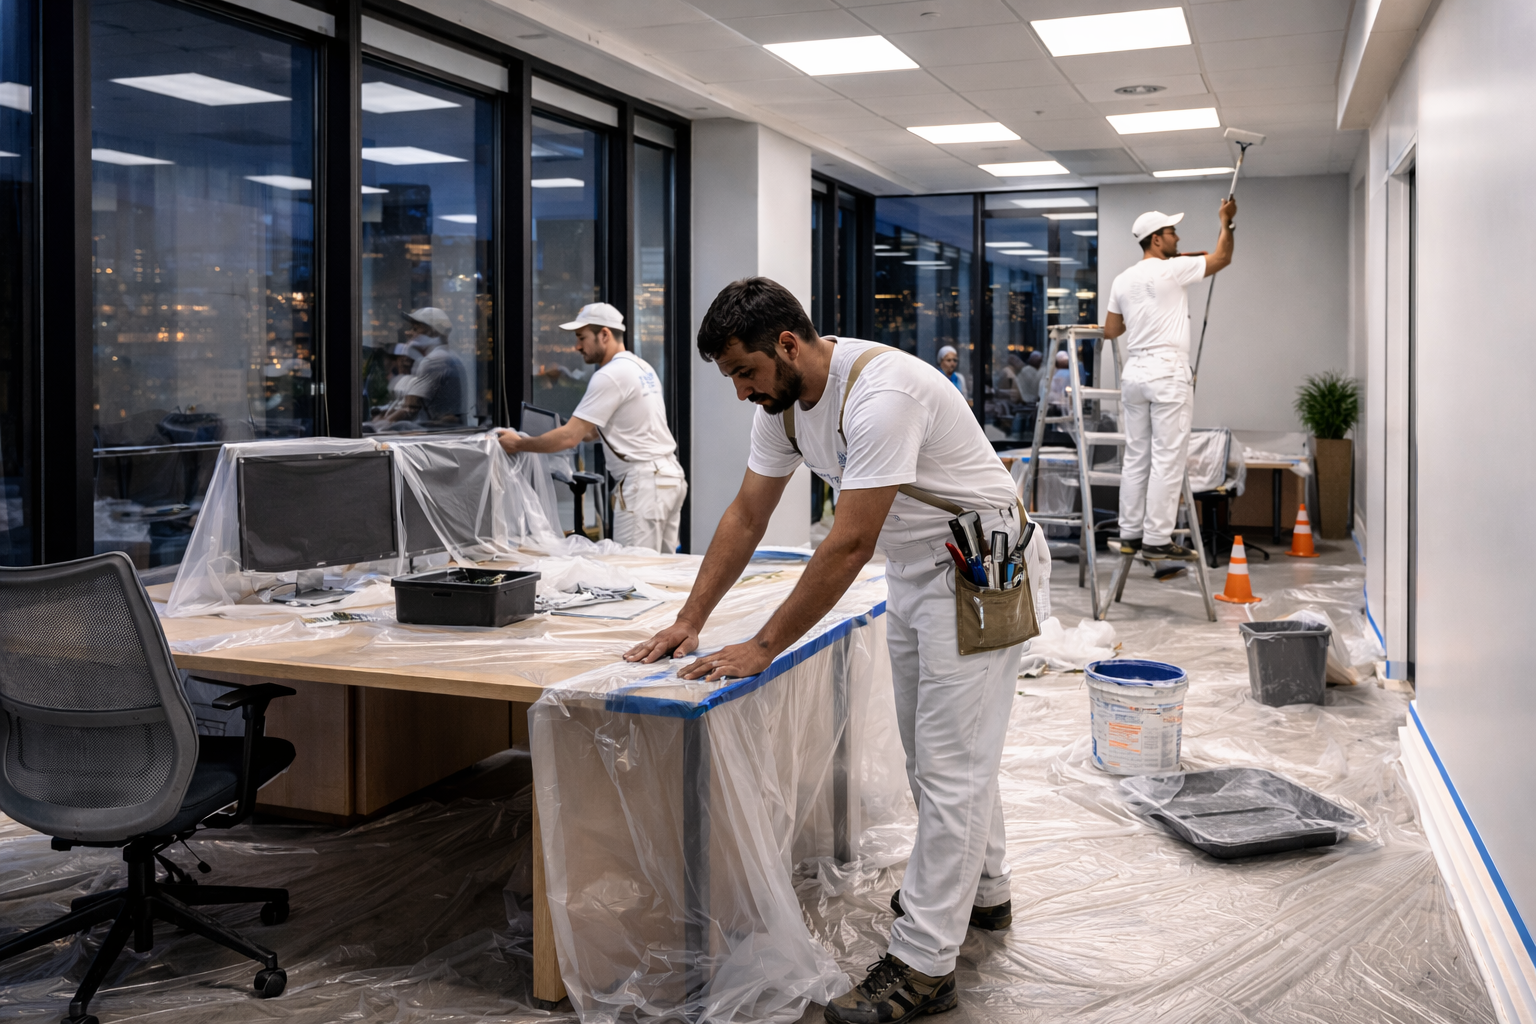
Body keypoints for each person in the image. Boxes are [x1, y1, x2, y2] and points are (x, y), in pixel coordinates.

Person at [624, 278, 1048, 1024]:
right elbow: (748, 513)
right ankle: (983, 894)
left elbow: (849, 543)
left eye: (744, 373)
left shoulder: (883, 395)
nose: (741, 391)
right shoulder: (782, 408)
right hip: (920, 568)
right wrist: (691, 619)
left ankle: (925, 967)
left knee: (951, 764)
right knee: (939, 755)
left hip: (983, 565)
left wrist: (763, 644)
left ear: (787, 344)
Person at [1103, 199, 1236, 560]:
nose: (1177, 236)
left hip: (1135, 373)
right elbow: (1222, 257)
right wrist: (1227, 222)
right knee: (1167, 457)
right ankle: (1157, 539)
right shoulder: (1174, 270)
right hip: (1167, 372)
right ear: (1156, 240)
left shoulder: (1123, 278)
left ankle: (1130, 534)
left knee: (1136, 455)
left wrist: (1144, 311)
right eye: (1172, 232)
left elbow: (1112, 330)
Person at [497, 302, 685, 553]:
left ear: (604, 335)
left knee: (635, 574)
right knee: (662, 573)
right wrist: (573, 431)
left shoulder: (610, 375)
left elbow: (570, 438)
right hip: (668, 478)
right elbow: (603, 429)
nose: (577, 347)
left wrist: (518, 444)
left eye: (581, 337)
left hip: (644, 486)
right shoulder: (641, 368)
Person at [367, 307, 468, 431]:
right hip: (445, 430)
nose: (408, 333)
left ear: (432, 332)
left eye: (415, 329)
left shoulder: (435, 360)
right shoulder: (445, 356)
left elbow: (411, 408)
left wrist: (380, 427)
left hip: (441, 432)